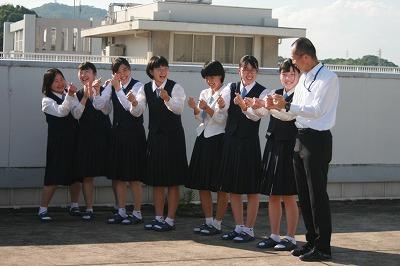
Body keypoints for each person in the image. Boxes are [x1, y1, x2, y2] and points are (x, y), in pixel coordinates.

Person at [269, 37, 339, 261]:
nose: (293, 64)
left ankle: (323, 246)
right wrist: (272, 107)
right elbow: (292, 114)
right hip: (300, 137)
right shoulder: (305, 77)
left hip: (317, 140)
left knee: (317, 194)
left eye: (294, 59)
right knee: (304, 194)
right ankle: (311, 241)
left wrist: (287, 104)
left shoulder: (328, 78)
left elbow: (316, 110)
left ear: (306, 57)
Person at [133, 55, 188, 232]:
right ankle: (158, 218)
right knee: (157, 181)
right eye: (158, 68)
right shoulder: (145, 88)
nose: (163, 71)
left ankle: (170, 220)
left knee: (172, 181)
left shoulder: (176, 87)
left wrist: (167, 98)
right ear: (151, 71)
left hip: (173, 139)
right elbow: (138, 110)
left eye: (165, 68)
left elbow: (179, 108)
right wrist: (134, 103)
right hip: (155, 138)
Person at [250, 59, 300, 251]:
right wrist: (251, 104)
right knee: (272, 194)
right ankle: (274, 235)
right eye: (284, 74)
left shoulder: (300, 96)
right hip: (272, 145)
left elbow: (288, 115)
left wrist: (270, 106)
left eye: (291, 74)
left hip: (289, 147)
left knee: (288, 195)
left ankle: (291, 238)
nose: (287, 78)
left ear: (298, 76)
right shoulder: (274, 93)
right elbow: (260, 111)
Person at [218, 55, 269, 243]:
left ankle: (249, 229)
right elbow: (221, 110)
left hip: (249, 144)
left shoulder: (263, 92)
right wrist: (221, 105)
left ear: (257, 72)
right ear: (238, 70)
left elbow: (257, 116)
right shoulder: (230, 88)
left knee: (252, 189)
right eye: (245, 69)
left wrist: (244, 106)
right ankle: (239, 227)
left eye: (253, 70)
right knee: (233, 187)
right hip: (231, 142)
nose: (249, 73)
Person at [93, 57, 145, 225]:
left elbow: (132, 110)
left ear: (130, 70)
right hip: (117, 134)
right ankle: (121, 211)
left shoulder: (138, 86)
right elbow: (100, 105)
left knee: (134, 177)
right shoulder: (113, 84)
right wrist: (95, 91)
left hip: (134, 134)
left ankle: (137, 212)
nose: (121, 74)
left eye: (125, 70)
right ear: (113, 73)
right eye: (117, 71)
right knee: (119, 176)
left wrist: (118, 89)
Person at [186, 60, 229, 236]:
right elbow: (201, 118)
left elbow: (221, 120)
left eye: (212, 76)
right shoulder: (204, 92)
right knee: (202, 184)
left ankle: (218, 224)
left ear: (220, 76)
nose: (209, 80)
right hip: (203, 139)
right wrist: (195, 109)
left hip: (218, 141)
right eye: (207, 77)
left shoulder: (225, 93)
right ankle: (208, 221)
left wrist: (207, 109)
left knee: (220, 185)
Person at [38, 68, 81, 222]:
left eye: (61, 79)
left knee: (76, 175)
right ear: (48, 85)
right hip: (57, 142)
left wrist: (83, 97)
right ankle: (43, 209)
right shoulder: (46, 101)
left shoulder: (70, 95)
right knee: (53, 175)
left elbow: (77, 113)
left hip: (74, 139)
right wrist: (70, 96)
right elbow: (62, 111)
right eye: (55, 81)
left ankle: (74, 205)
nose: (60, 83)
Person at [71, 62, 112, 221]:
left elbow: (107, 110)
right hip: (86, 138)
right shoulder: (76, 94)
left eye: (87, 71)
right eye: (80, 72)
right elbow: (76, 115)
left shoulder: (105, 91)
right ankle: (89, 208)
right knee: (87, 175)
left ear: (94, 74)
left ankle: (119, 208)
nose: (83, 75)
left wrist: (96, 93)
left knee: (114, 173)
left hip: (105, 136)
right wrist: (86, 96)